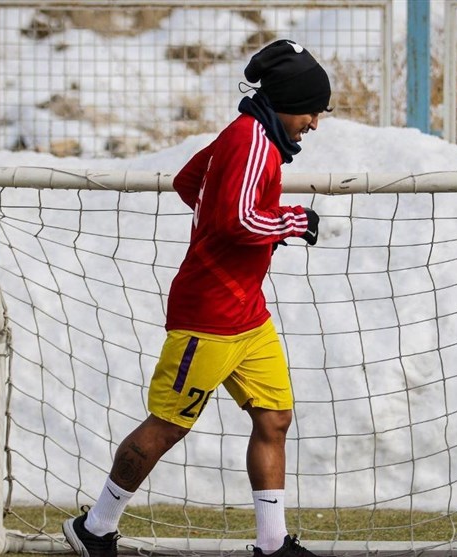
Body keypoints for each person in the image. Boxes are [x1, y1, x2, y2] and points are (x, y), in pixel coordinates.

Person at [63, 39, 332, 557]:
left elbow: (192, 181)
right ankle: (94, 528)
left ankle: (272, 544)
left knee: (274, 417)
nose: (314, 124)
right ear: (287, 100)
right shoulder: (252, 141)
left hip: (246, 312)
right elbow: (237, 220)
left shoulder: (251, 135)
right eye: (312, 111)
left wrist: (220, 219)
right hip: (208, 316)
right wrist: (294, 221)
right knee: (166, 427)